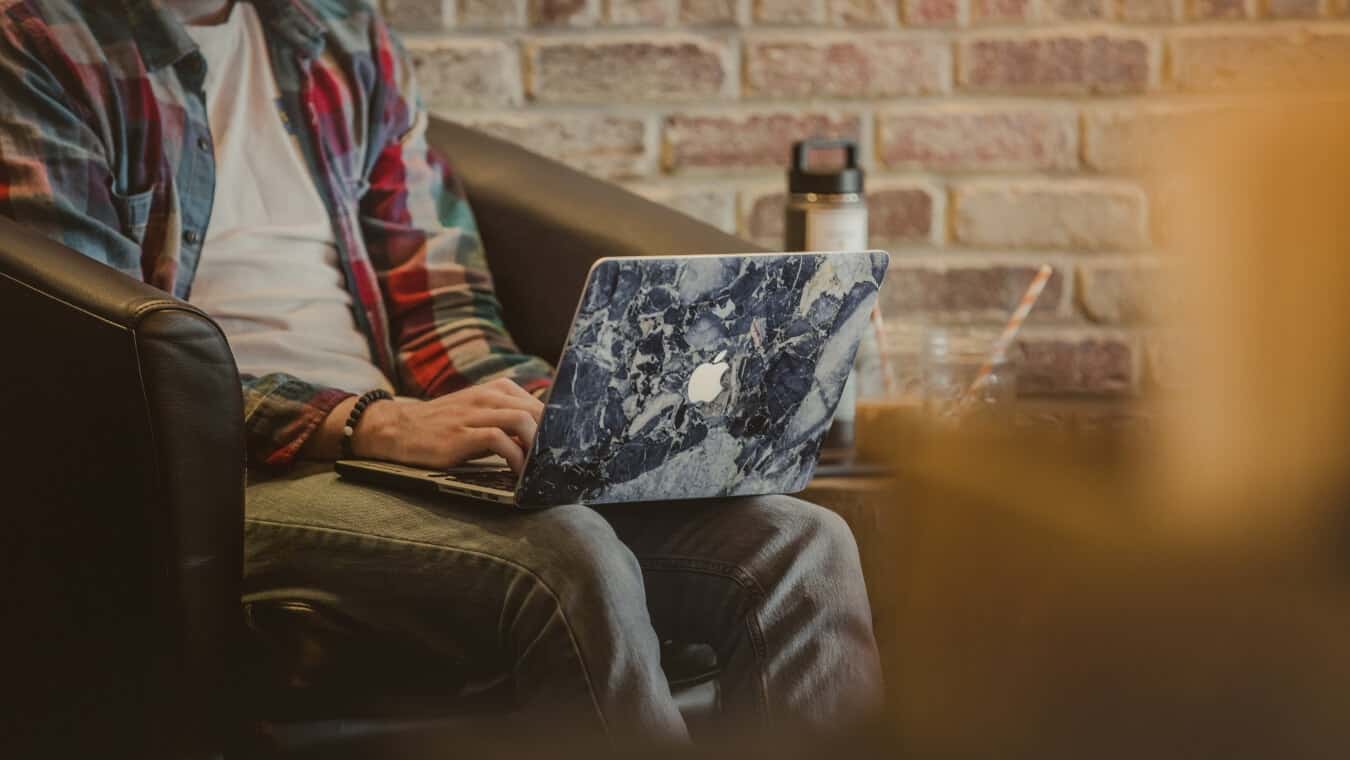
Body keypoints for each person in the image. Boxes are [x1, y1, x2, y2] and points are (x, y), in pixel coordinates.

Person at [0, 0, 882, 744]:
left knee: (799, 545)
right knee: (567, 560)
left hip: (395, 437)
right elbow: (105, 372)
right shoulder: (40, 42)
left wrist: (567, 415)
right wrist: (365, 422)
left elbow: (437, 300)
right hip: (230, 478)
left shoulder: (337, 31)